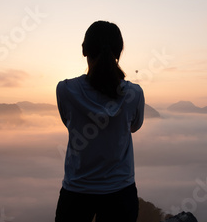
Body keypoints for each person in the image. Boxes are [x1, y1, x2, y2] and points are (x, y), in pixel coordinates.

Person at [55, 21, 145, 222]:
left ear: (84, 50)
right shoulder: (134, 94)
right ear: (119, 51)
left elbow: (68, 122)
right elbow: (134, 127)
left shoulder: (65, 90)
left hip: (76, 192)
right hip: (120, 192)